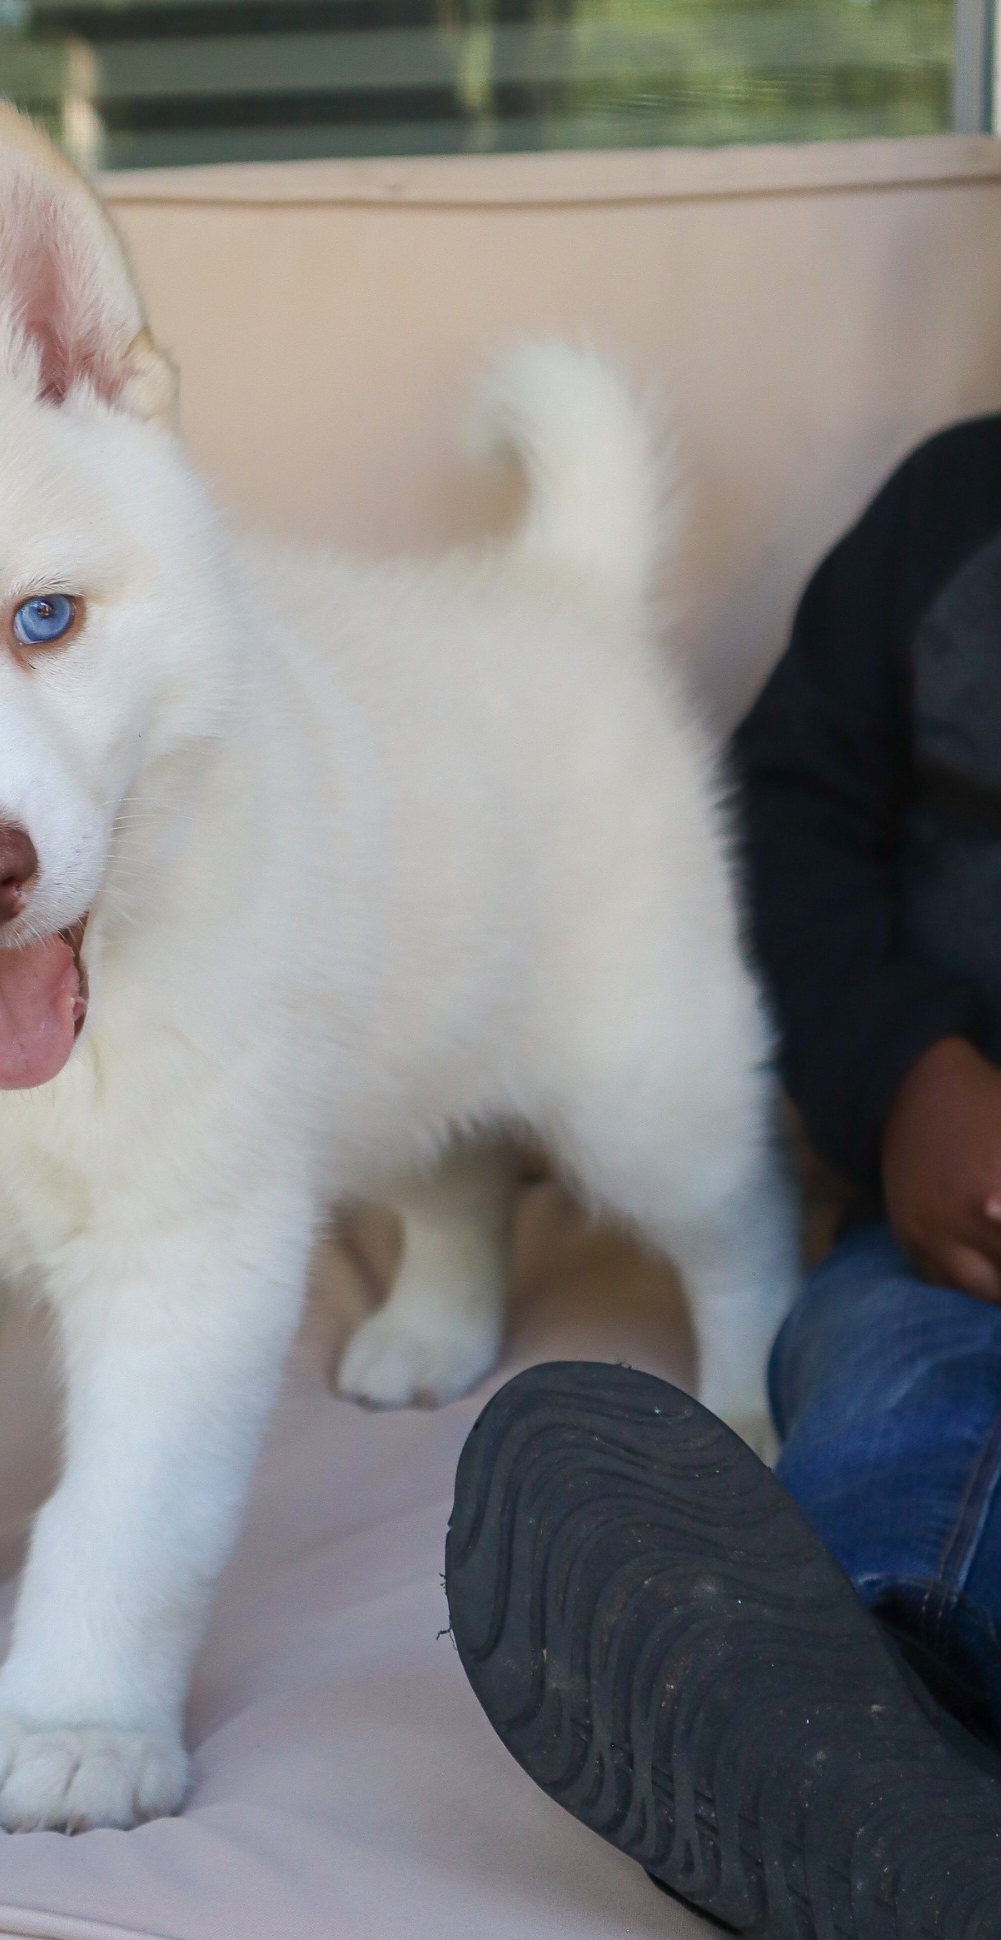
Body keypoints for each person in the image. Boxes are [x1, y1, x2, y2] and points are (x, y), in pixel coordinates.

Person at [444, 418, 1001, 1936]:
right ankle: (854, 1739)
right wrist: (903, 1075)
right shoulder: (952, 509)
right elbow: (782, 819)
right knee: (884, 1371)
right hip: (961, 1233)